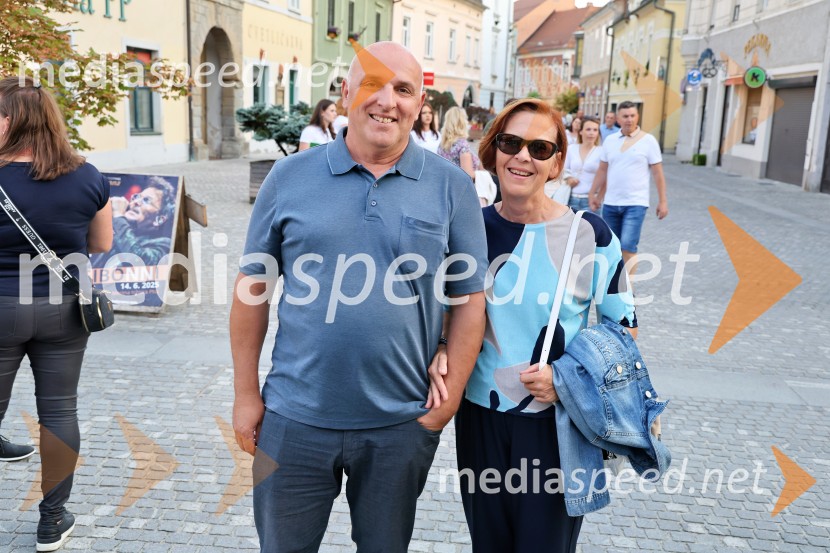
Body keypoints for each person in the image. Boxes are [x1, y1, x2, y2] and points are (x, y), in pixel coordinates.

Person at [230, 41, 488, 553]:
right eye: (372, 84)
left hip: (399, 425)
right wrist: (245, 394)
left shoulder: (452, 187)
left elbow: (470, 300)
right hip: (294, 420)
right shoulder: (290, 177)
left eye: (403, 89)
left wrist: (449, 398)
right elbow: (252, 292)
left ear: (420, 105)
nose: (386, 101)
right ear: (346, 92)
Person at [428, 98, 637, 553]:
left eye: (540, 148)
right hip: (479, 416)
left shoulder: (591, 234)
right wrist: (443, 345)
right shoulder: (468, 230)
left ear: (557, 162)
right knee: (490, 544)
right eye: (511, 143)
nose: (523, 156)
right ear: (494, 150)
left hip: (557, 423)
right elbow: (447, 310)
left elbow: (624, 331)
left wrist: (565, 380)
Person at [0, 77, 113, 551]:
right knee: (59, 412)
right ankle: (52, 520)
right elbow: (102, 245)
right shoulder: (87, 175)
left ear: (13, 121)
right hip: (63, 312)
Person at [589, 101, 668, 275]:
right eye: (625, 116)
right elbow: (603, 170)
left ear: (638, 117)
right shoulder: (610, 141)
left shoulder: (648, 141)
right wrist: (593, 193)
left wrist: (663, 201)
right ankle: (613, 285)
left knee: (628, 245)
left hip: (635, 203)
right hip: (610, 203)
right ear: (618, 118)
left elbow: (658, 173)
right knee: (612, 247)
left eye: (632, 115)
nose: (629, 119)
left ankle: (627, 290)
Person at [104, 176, 175, 268]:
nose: (136, 202)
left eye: (146, 200)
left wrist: (118, 216)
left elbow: (139, 261)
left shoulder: (165, 245)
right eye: (136, 197)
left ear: (159, 219)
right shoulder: (114, 233)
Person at [564, 115, 602, 213]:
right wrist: (569, 178)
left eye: (595, 130)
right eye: (588, 129)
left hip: (590, 199)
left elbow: (605, 175)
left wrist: (599, 197)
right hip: (571, 198)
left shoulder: (602, 151)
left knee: (591, 228)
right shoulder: (571, 149)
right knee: (570, 228)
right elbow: (563, 169)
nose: (591, 133)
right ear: (580, 131)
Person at [437, 106, 480, 179]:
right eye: (465, 119)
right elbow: (468, 175)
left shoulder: (442, 144)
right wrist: (482, 175)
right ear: (462, 122)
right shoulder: (462, 145)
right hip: (459, 188)